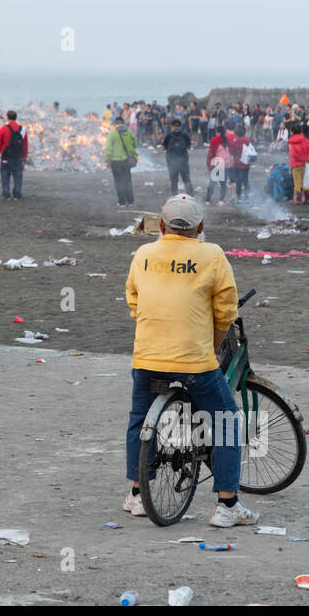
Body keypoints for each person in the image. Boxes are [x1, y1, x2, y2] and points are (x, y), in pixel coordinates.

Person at [122, 195, 259, 528]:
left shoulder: (143, 254)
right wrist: (208, 347)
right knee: (226, 420)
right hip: (195, 362)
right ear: (200, 227)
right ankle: (228, 504)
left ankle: (138, 494)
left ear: (163, 225)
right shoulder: (211, 255)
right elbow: (226, 311)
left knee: (140, 419)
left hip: (147, 357)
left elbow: (134, 301)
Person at [104, 115, 139, 207]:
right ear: (123, 123)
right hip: (126, 161)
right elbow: (135, 145)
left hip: (115, 162)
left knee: (118, 182)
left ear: (115, 124)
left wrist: (108, 160)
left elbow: (108, 148)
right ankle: (131, 201)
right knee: (127, 180)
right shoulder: (130, 133)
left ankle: (122, 202)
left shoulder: (112, 134)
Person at [0, 110, 28, 200]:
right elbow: (25, 144)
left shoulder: (3, 129)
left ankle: (6, 195)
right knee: (18, 176)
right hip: (18, 157)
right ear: (15, 118)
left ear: (7, 117)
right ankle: (17, 195)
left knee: (5, 175)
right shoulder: (23, 130)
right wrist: (25, 156)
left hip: (6, 157)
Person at [162, 118, 192, 195]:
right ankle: (190, 196)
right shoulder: (185, 135)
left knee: (174, 180)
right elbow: (189, 147)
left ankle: (175, 196)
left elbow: (163, 148)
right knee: (186, 180)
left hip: (172, 162)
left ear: (172, 127)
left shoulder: (168, 136)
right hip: (183, 162)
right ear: (180, 127)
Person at [287, 122, 309, 204]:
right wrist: (306, 159)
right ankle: (306, 198)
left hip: (295, 164)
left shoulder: (291, 141)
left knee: (297, 182)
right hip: (305, 163)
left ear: (292, 132)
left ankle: (297, 199)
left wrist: (300, 159)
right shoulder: (305, 140)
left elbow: (293, 153)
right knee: (305, 181)